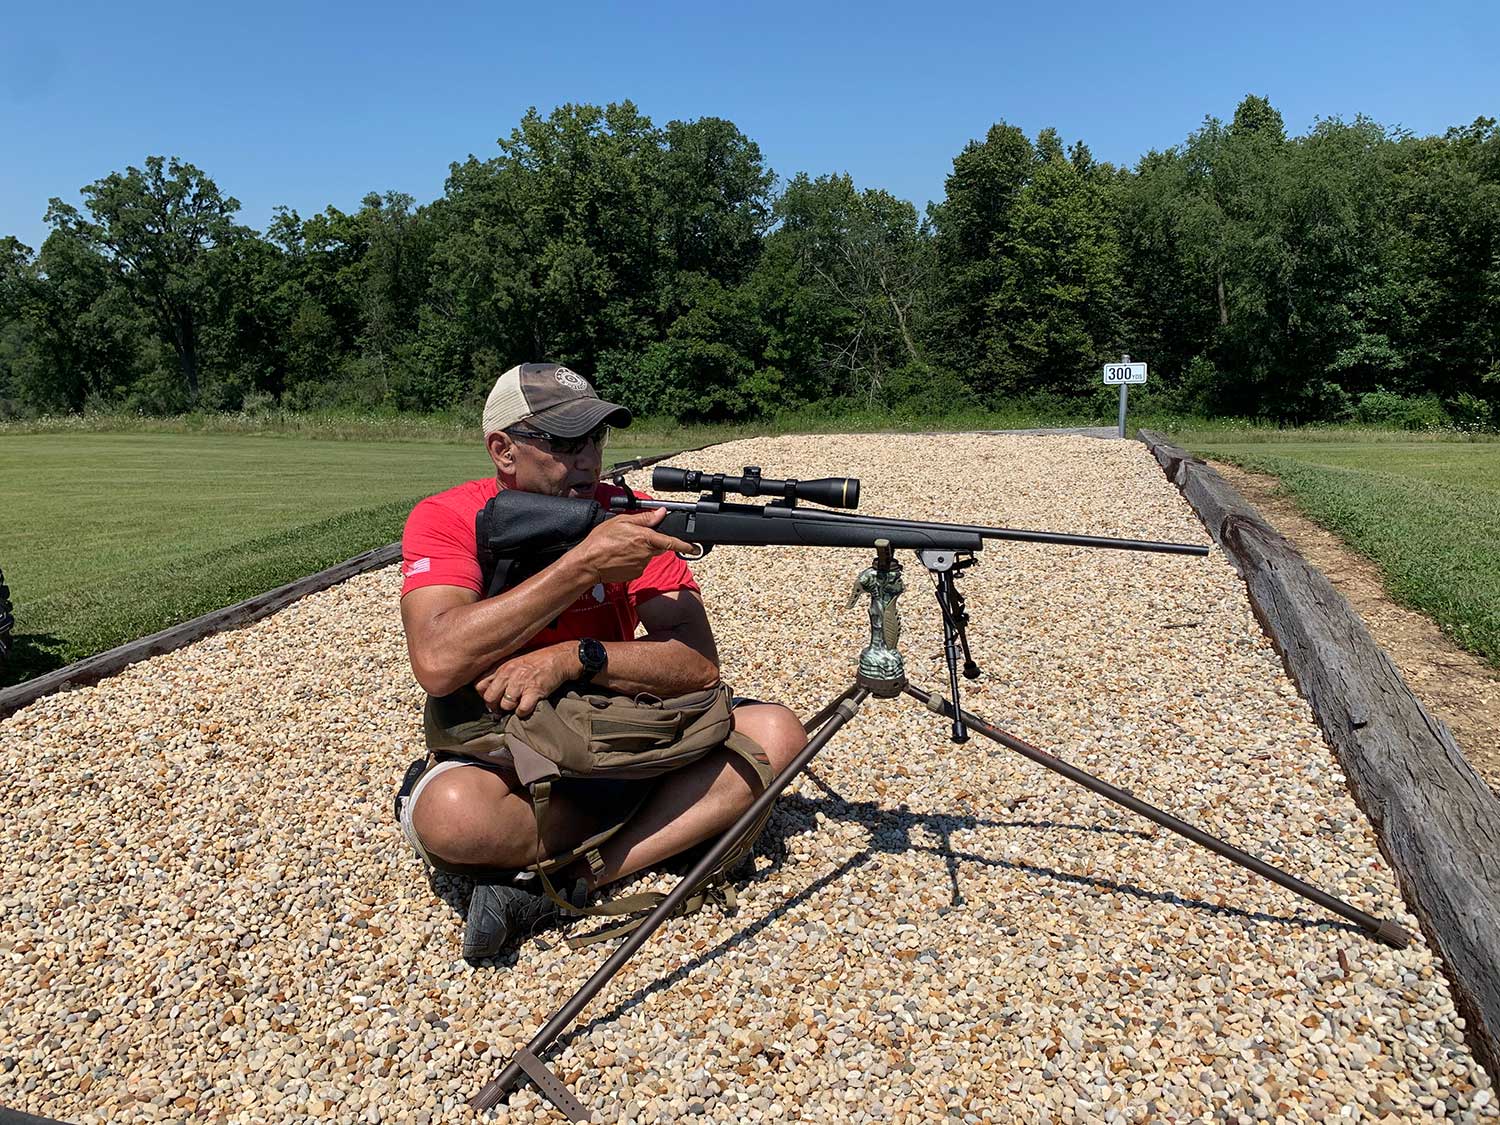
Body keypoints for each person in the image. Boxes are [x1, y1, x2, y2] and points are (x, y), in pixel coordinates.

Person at [395, 362, 808, 958]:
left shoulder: (627, 515)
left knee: (778, 732)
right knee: (452, 815)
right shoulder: (449, 517)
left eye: (596, 438)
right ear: (503, 450)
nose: (588, 458)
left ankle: (580, 880)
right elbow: (437, 659)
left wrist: (575, 657)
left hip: (626, 730)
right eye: (565, 442)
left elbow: (696, 664)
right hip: (519, 745)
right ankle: (673, 822)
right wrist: (583, 567)